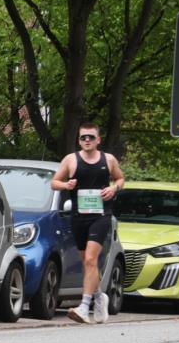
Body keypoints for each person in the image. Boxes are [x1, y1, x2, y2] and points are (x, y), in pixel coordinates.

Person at [51, 123, 125, 324]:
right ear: (79, 140)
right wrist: (66, 184)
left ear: (98, 140)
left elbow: (120, 179)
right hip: (78, 216)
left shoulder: (108, 160)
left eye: (91, 137)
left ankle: (84, 307)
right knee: (87, 263)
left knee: (92, 259)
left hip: (100, 216)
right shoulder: (71, 160)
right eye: (83, 137)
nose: (87, 141)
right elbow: (54, 182)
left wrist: (113, 189)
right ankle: (100, 296)